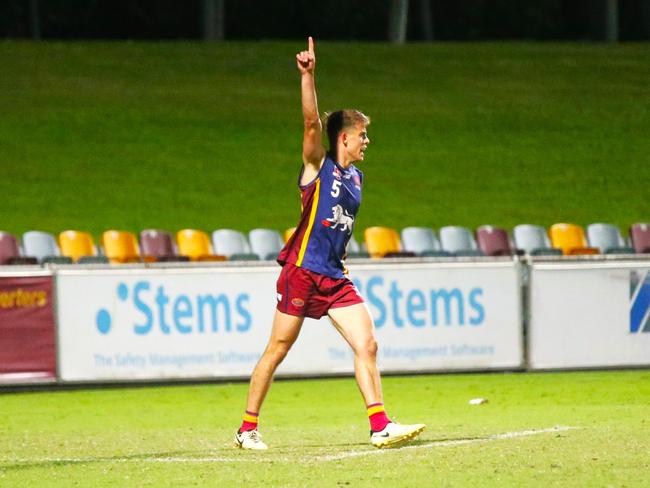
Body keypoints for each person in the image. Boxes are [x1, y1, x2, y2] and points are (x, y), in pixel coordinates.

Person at [235, 37, 425, 450]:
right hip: (301, 271)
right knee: (278, 348)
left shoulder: (356, 179)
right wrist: (308, 76)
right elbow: (309, 124)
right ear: (342, 138)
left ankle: (380, 426)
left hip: (335, 276)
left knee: (368, 343)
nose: (366, 141)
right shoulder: (316, 167)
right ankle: (247, 427)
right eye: (361, 135)